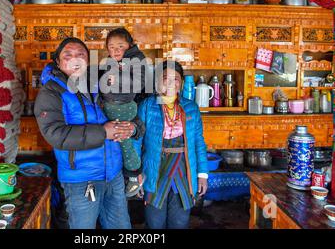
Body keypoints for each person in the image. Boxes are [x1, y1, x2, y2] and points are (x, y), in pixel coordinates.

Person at [34, 37, 143, 229]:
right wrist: (103, 132)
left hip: (114, 174)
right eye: (68, 55)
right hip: (81, 179)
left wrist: (133, 128)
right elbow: (56, 134)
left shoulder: (99, 85)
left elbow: (125, 111)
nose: (75, 59)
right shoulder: (51, 92)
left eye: (81, 55)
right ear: (58, 62)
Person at [136, 60, 209, 229]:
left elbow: (199, 142)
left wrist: (202, 174)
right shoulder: (147, 106)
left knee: (180, 221)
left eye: (175, 78)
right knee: (154, 221)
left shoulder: (191, 108)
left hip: (184, 169)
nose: (170, 82)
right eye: (165, 78)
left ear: (181, 83)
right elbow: (136, 142)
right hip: (155, 168)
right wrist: (135, 174)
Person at [100, 28, 147, 197]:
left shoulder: (135, 60)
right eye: (111, 47)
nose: (116, 50)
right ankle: (129, 176)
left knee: (124, 142)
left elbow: (139, 82)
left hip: (123, 107)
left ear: (130, 44)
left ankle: (135, 176)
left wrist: (117, 78)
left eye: (120, 46)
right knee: (119, 142)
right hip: (114, 106)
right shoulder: (114, 61)